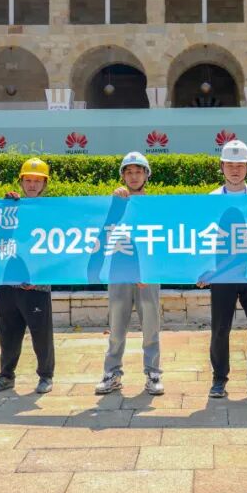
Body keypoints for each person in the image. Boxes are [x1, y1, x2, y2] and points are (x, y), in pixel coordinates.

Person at [202, 140, 247, 399]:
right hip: (222, 274)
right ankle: (219, 379)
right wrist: (204, 270)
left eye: (240, 165)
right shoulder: (210, 200)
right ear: (222, 166)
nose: (235, 170)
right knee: (220, 329)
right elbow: (201, 239)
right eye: (230, 165)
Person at [95, 152, 165, 396]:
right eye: (129, 172)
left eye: (138, 172)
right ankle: (111, 373)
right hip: (119, 272)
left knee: (151, 327)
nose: (134, 177)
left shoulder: (155, 206)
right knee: (116, 328)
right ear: (123, 176)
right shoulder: (115, 202)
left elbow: (161, 241)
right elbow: (101, 233)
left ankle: (153, 374)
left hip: (148, 276)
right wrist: (115, 203)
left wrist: (150, 270)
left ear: (146, 175)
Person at [0, 158, 56, 394]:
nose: (32, 185)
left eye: (37, 181)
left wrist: (39, 277)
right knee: (7, 334)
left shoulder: (52, 212)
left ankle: (45, 376)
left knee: (41, 335)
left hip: (37, 286)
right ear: (21, 182)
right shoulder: (10, 206)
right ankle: (6, 376)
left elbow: (55, 249)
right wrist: (6, 208)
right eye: (28, 180)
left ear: (45, 184)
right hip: (8, 282)